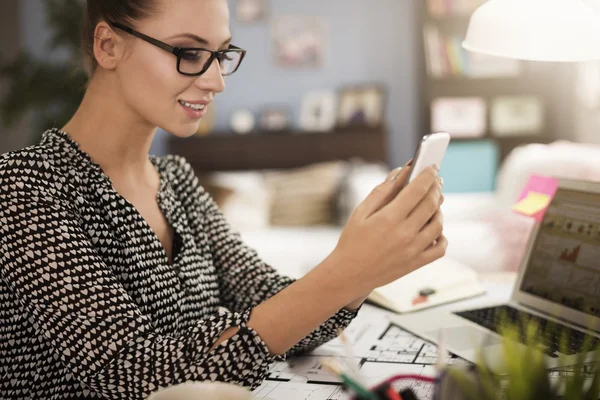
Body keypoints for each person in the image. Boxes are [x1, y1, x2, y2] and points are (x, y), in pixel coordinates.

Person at [0, 0, 446, 398]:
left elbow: (279, 306)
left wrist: (367, 265)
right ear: (108, 46)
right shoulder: (23, 186)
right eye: (190, 53)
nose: (216, 82)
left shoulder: (176, 180)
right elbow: (137, 374)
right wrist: (347, 270)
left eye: (221, 55)